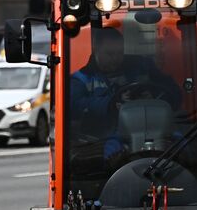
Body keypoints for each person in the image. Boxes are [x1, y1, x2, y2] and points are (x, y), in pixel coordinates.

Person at [68, 26, 181, 156]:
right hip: (106, 136)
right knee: (111, 154)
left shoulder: (143, 66)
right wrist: (112, 103)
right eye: (110, 54)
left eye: (120, 53)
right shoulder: (82, 79)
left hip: (155, 129)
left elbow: (174, 92)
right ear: (95, 50)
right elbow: (74, 106)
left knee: (180, 144)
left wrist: (154, 97)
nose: (116, 59)